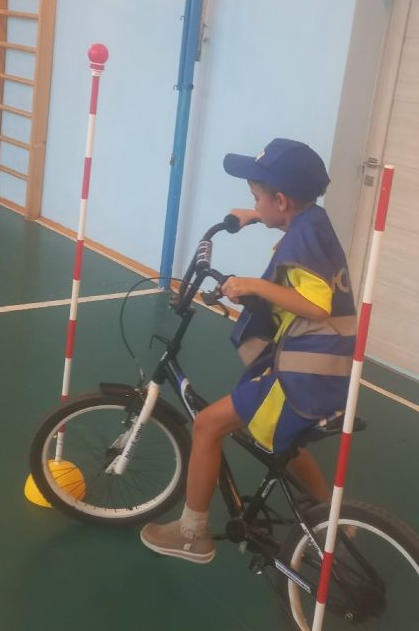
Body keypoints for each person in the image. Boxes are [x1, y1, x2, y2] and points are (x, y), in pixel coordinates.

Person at [141, 138, 357, 563]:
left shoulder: (301, 241)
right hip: (328, 366)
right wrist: (258, 216)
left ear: (282, 199)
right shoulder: (312, 221)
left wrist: (253, 285)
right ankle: (331, 518)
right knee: (285, 443)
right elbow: (293, 231)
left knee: (207, 425)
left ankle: (192, 534)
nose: (254, 202)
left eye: (257, 196)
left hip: (305, 372)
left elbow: (317, 305)